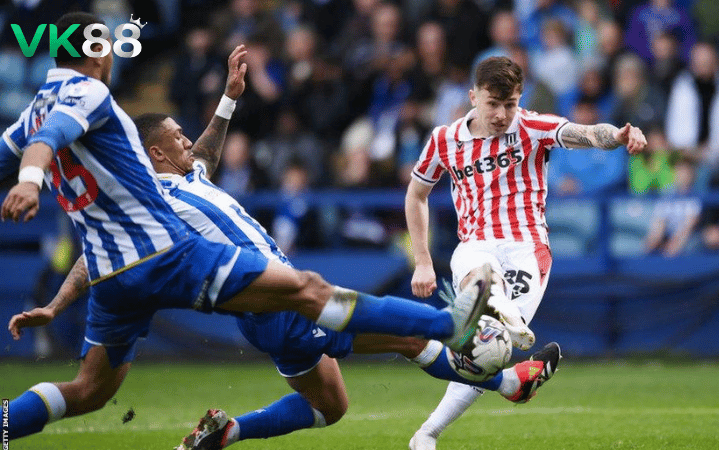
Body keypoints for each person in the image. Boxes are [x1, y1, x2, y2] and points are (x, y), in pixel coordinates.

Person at [0, 12, 490, 441]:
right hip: (166, 256)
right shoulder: (86, 92)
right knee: (310, 290)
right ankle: (448, 324)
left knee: (87, 390)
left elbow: (44, 157)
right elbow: (53, 136)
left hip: (114, 274)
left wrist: (56, 304)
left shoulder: (32, 112)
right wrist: (29, 180)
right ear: (96, 51)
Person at [9, 110, 561, 450]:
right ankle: (475, 348)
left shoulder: (188, 176)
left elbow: (202, 154)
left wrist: (229, 100)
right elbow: (98, 252)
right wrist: (58, 300)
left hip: (264, 305)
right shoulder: (151, 198)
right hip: (271, 300)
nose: (187, 141)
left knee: (330, 405)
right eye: (176, 136)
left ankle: (229, 432)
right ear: (155, 153)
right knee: (401, 334)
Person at [405, 56, 646, 450]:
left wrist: (619, 136)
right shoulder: (444, 140)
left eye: (510, 104)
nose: (502, 115)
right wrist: (422, 261)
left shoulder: (532, 127)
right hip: (476, 244)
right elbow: (416, 195)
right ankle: (498, 306)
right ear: (473, 97)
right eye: (493, 104)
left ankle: (426, 434)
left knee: (488, 355)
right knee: (478, 271)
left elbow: (587, 133)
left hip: (527, 251)